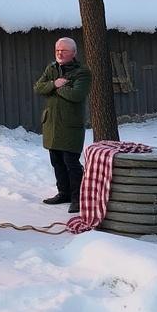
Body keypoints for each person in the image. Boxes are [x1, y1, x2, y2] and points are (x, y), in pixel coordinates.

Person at [34, 37, 92, 214]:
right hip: (52, 123)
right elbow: (38, 87)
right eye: (57, 50)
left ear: (73, 53)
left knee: (71, 162)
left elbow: (77, 94)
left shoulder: (82, 72)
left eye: (64, 50)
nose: (59, 53)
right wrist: (54, 83)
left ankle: (78, 198)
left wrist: (55, 88)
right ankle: (64, 193)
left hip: (70, 124)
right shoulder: (51, 68)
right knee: (56, 160)